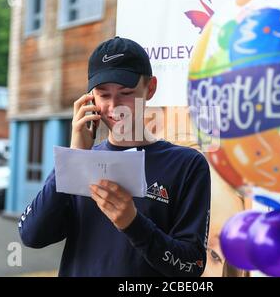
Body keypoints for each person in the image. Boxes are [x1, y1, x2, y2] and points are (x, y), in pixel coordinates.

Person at [18, 36, 211, 277]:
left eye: (126, 93)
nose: (114, 106)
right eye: (103, 94)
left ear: (150, 88)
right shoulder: (79, 160)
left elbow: (192, 266)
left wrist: (133, 223)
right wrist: (74, 156)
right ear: (90, 98)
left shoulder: (187, 164)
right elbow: (32, 235)